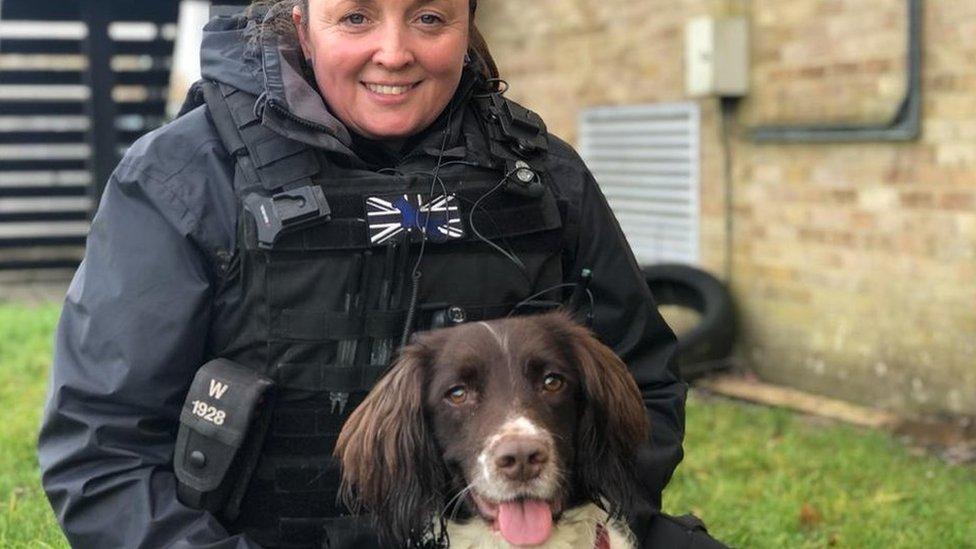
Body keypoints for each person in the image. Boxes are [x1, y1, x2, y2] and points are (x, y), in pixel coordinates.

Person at [38, 0, 723, 547]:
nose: (394, 52)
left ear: (467, 25)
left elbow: (644, 384)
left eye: (429, 17)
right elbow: (99, 448)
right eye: (357, 16)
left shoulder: (541, 178)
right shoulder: (186, 178)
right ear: (304, 25)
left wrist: (586, 526)